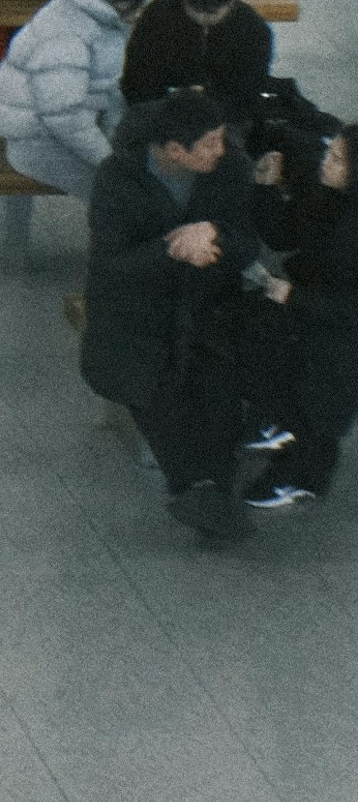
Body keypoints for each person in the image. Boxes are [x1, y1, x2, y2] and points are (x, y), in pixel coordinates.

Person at [82, 90, 265, 541]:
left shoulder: (230, 168)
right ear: (175, 151)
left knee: (218, 381)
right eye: (209, 145)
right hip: (134, 310)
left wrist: (214, 233)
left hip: (205, 303)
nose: (220, 151)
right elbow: (112, 266)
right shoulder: (117, 178)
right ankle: (198, 484)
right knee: (156, 387)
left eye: (222, 139)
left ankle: (211, 486)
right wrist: (176, 249)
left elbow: (247, 240)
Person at [245, 119, 358, 510]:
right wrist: (265, 189)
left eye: (339, 159)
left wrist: (293, 297)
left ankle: (304, 476)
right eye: (330, 152)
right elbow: (287, 234)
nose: (327, 163)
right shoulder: (332, 198)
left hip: (340, 332)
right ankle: (281, 424)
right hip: (310, 310)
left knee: (323, 405)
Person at [0, 0, 145, 195]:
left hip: (68, 131)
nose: (140, 12)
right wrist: (109, 158)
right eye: (139, 4)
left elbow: (108, 91)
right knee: (128, 194)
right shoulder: (67, 37)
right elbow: (63, 117)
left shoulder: (93, 17)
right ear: (123, 3)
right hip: (38, 143)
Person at [120, 0, 272, 124]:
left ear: (231, 2)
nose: (202, 18)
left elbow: (248, 93)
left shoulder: (253, 29)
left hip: (222, 118)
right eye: (195, 10)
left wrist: (207, 103)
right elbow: (136, 80)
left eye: (212, 13)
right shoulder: (158, 15)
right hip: (159, 112)